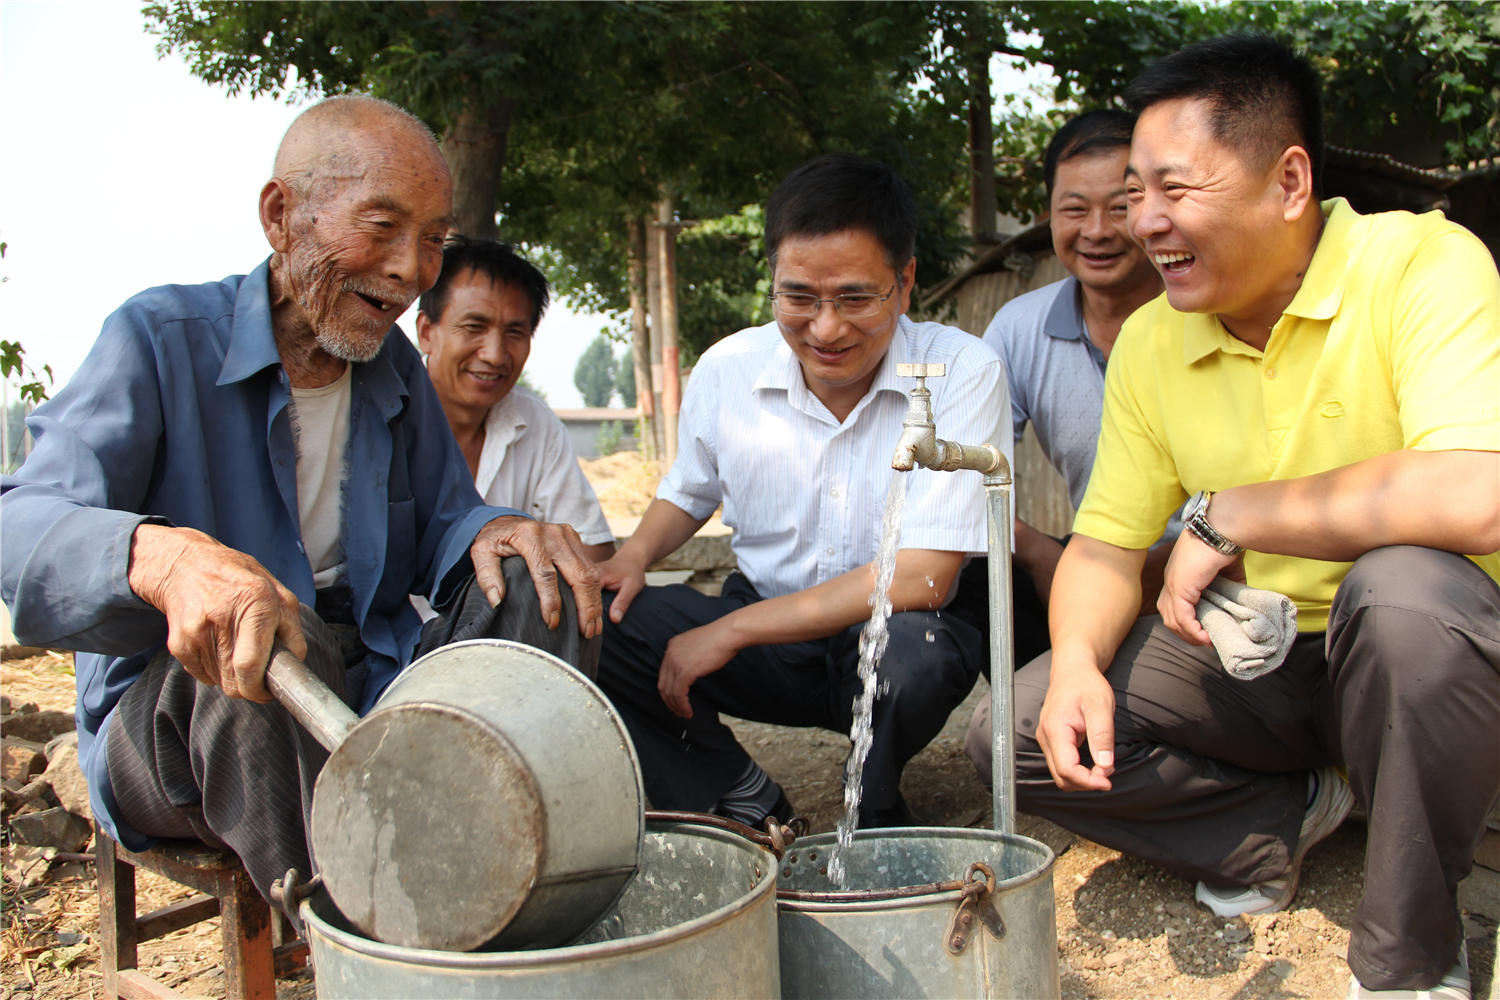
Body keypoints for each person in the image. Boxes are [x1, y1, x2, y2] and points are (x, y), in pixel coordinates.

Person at [0, 95, 604, 905]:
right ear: (281, 215)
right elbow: (20, 528)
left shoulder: (391, 371)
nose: (410, 270)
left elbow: (448, 520)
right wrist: (165, 558)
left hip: (367, 692)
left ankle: (517, 884)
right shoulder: (157, 337)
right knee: (266, 646)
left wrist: (502, 529)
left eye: (433, 241)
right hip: (185, 721)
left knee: (539, 580)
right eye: (382, 226)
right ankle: (362, 940)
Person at [1017, 35, 1499, 999]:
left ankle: (1412, 959)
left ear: (1288, 181)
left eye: (1173, 190)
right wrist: (1074, 666)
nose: (1143, 223)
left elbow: (1476, 492)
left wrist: (1232, 514)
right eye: (1130, 193)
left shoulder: (1421, 264)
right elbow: (1107, 543)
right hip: (1264, 664)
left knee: (1402, 589)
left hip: (1431, 653)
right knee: (1021, 725)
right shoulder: (1157, 337)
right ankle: (1296, 813)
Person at [593, 153, 1008, 829]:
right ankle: (736, 793)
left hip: (887, 636)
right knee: (596, 621)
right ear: (774, 281)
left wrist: (729, 629)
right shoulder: (729, 368)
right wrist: (633, 557)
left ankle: (874, 812)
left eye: (854, 298)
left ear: (904, 283)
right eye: (800, 298)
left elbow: (925, 579)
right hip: (766, 638)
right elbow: (689, 490)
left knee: (913, 656)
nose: (826, 328)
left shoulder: (961, 369)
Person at [953, 113, 1167, 779]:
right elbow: (963, 470)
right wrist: (1045, 552)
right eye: (1074, 209)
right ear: (1049, 213)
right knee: (979, 568)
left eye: (1122, 206)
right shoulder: (1018, 329)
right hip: (1099, 565)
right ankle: (1060, 725)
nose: (1097, 231)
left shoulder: (1200, 307)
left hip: (1212, 562)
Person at [415, 236, 614, 562]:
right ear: (426, 332)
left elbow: (594, 554)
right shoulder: (384, 414)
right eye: (474, 326)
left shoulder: (533, 420)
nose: (494, 355)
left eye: (514, 333)